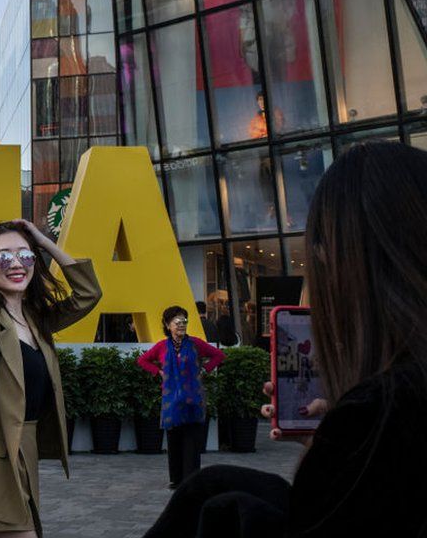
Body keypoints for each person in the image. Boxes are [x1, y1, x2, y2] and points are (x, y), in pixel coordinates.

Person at [143, 141, 427, 537]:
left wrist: (343, 441)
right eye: (177, 322)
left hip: (189, 404)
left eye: (321, 255)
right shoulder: (384, 407)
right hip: (176, 405)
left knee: (212, 494)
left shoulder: (382, 412)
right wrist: (327, 444)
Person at [0, 219, 102, 537]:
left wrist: (44, 242)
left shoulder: (35, 319)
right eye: (4, 257)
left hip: (25, 455)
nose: (17, 263)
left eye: (26, 255)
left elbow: (88, 294)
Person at [137, 307, 225, 489]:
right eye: (177, 321)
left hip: (193, 400)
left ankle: (191, 481)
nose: (181, 324)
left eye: (184, 321)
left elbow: (219, 355)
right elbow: (143, 360)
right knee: (174, 441)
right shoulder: (162, 346)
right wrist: (159, 372)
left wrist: (204, 370)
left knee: (192, 442)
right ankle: (176, 480)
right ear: (168, 325)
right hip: (172, 402)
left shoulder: (195, 344)